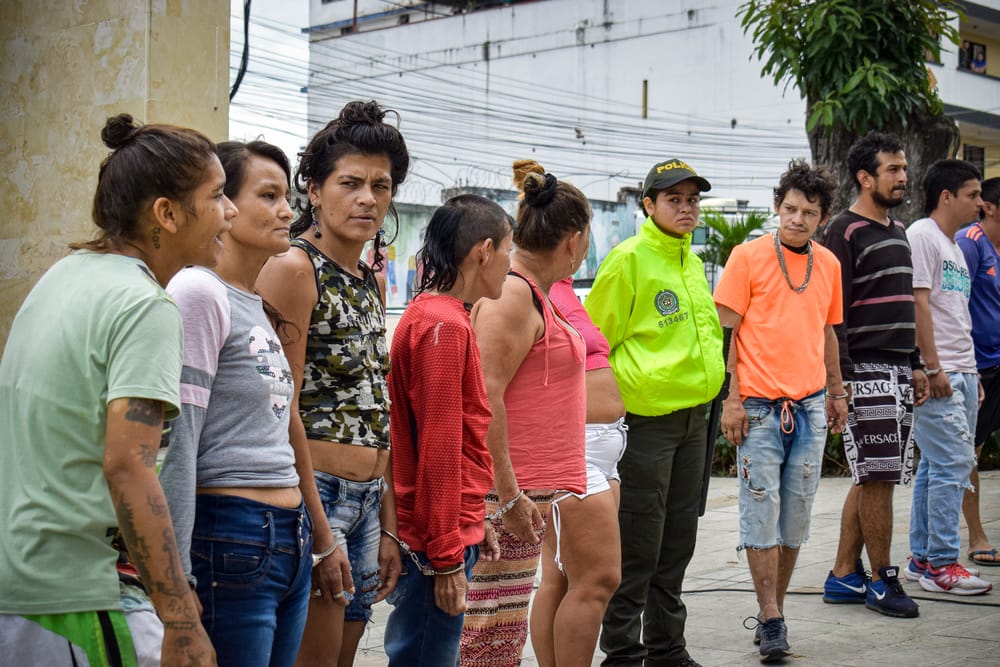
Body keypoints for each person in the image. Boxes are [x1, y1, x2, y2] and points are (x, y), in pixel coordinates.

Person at [0, 113, 234, 666]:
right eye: (217, 195)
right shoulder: (145, 306)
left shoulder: (65, 276)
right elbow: (128, 466)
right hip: (80, 595)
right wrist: (181, 618)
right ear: (167, 214)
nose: (229, 211)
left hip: (27, 584)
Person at [256, 100, 408, 666]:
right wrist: (321, 533)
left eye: (380, 185)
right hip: (316, 495)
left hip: (368, 500)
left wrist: (388, 525)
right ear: (314, 191)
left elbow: (376, 405)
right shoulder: (295, 269)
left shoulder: (369, 279)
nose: (368, 198)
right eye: (350, 183)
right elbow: (281, 407)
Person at [159, 140, 319, 666]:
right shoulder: (198, 291)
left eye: (287, 197)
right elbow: (178, 437)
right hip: (231, 534)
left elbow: (280, 425)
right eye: (268, 196)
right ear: (224, 205)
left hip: (286, 540)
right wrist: (176, 581)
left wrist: (318, 537)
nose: (287, 211)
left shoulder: (252, 304)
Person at [587, 158, 725, 667]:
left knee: (678, 538)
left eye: (692, 200)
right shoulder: (628, 260)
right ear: (648, 205)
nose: (686, 208)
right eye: (674, 200)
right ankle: (623, 653)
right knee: (639, 540)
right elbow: (594, 345)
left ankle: (668, 648)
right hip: (646, 425)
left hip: (695, 420)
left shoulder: (691, 260)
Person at [459, 160, 590, 667]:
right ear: (574, 240)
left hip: (520, 492)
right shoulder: (513, 295)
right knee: (486, 632)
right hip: (500, 494)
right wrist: (510, 495)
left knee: (501, 630)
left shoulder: (532, 291)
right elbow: (485, 398)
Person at [714, 160, 846, 661]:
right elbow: (728, 333)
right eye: (790, 208)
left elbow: (827, 332)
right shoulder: (746, 257)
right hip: (758, 408)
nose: (797, 219)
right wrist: (731, 399)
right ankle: (769, 616)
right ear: (777, 207)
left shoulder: (828, 264)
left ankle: (777, 613)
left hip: (810, 408)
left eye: (809, 213)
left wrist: (836, 392)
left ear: (822, 217)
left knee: (795, 516)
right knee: (759, 513)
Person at [383, 194, 512, 666]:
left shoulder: (435, 315)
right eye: (508, 251)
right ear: (484, 251)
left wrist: (473, 522)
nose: (510, 264)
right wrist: (446, 554)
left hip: (446, 529)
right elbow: (438, 448)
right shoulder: (443, 326)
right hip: (431, 541)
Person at [821, 131, 926, 618]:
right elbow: (832, 315)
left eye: (903, 168)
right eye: (893, 169)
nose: (903, 177)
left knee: (872, 477)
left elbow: (903, 306)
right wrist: (839, 382)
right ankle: (883, 580)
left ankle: (844, 574)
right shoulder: (843, 231)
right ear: (865, 177)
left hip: (898, 368)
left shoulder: (898, 230)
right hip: (864, 370)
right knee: (879, 478)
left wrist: (916, 364)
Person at [530, 213, 628, 665]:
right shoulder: (530, 290)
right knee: (597, 579)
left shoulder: (562, 287)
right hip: (572, 450)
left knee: (564, 577)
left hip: (601, 451)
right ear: (574, 238)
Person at [906, 159, 992, 596]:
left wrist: (971, 372)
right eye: (973, 195)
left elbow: (955, 313)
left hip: (962, 370)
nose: (980, 204)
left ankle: (922, 558)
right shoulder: (922, 235)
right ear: (947, 196)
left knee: (937, 465)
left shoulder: (954, 246)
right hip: (939, 372)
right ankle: (942, 564)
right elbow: (917, 304)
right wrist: (931, 366)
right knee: (955, 462)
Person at [958, 177, 1000, 567]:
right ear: (989, 207)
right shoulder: (969, 243)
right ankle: (975, 535)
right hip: (978, 365)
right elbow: (954, 304)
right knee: (970, 450)